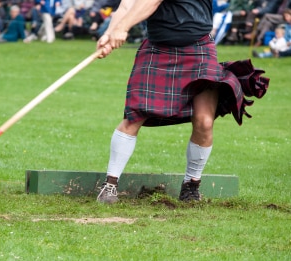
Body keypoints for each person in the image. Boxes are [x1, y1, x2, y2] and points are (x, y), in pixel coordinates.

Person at [95, 0, 269, 203]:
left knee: (204, 121)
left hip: (199, 48)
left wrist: (123, 28)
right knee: (135, 115)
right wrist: (109, 33)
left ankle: (191, 187)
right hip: (157, 48)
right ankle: (109, 186)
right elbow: (126, 6)